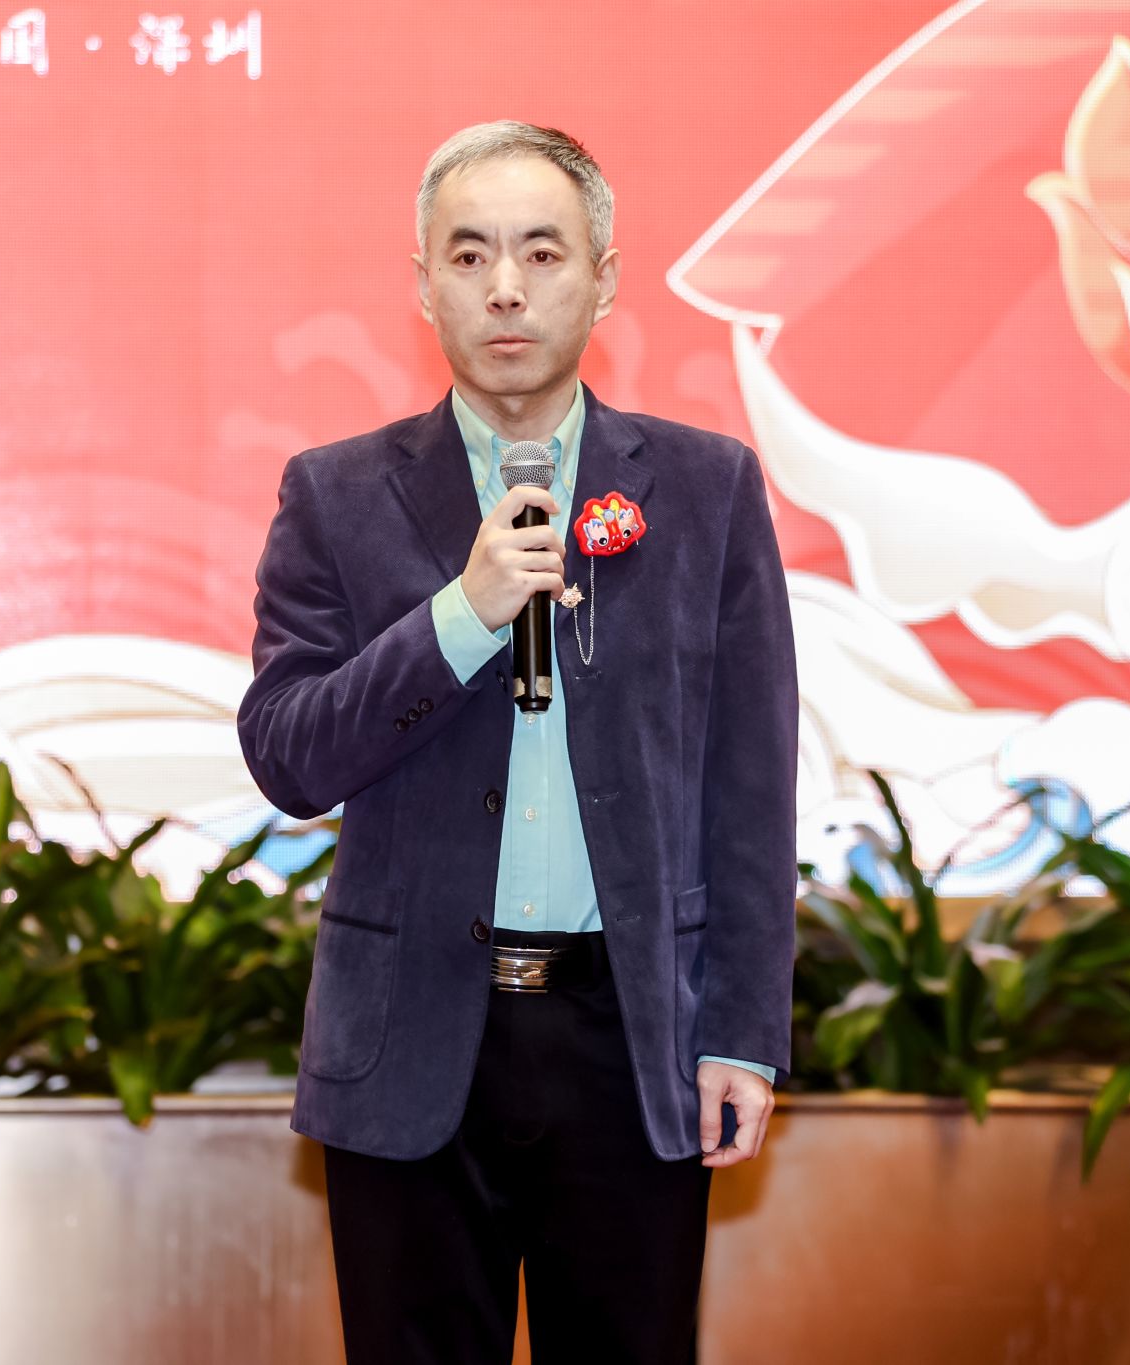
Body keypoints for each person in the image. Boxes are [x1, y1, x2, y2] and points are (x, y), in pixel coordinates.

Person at [236, 120, 797, 1365]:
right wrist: (460, 615)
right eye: (468, 254)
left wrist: (740, 1032)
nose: (504, 287)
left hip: (633, 1041)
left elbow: (750, 789)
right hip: (411, 1044)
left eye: (542, 253)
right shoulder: (334, 494)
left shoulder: (705, 490)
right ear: (422, 284)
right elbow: (285, 754)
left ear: (603, 278)